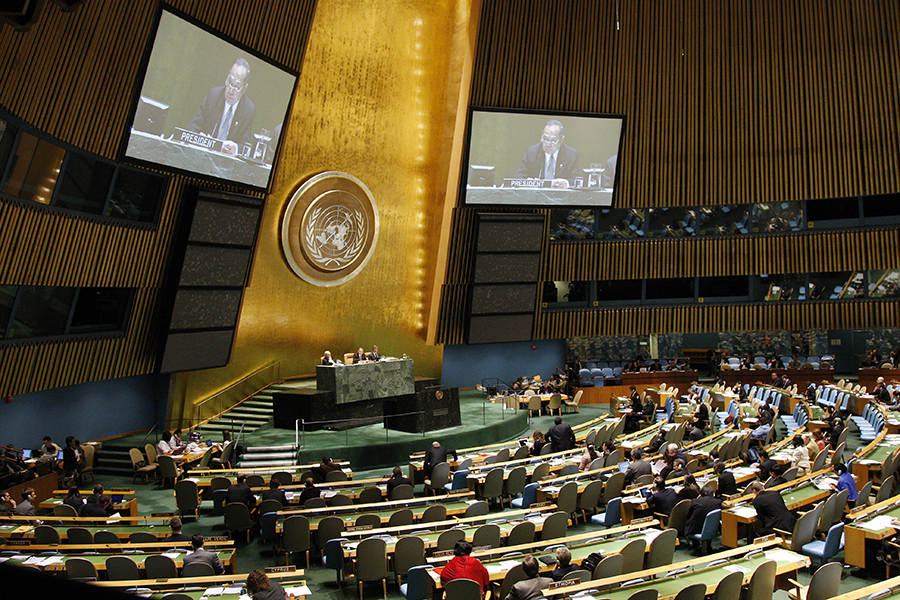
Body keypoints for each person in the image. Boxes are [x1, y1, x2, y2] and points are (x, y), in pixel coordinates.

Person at [187, 58, 255, 156]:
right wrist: (201, 139)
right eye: (230, 82)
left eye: (236, 87)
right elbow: (191, 128)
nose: (231, 91)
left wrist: (235, 148)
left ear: (244, 88)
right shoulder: (213, 96)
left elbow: (245, 145)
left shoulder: (248, 109)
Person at [514, 120, 579, 187]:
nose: (548, 144)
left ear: (561, 140)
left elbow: (576, 180)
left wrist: (565, 183)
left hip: (561, 195)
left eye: (553, 141)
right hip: (536, 195)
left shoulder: (571, 155)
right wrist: (527, 182)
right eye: (545, 139)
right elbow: (518, 178)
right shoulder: (532, 152)